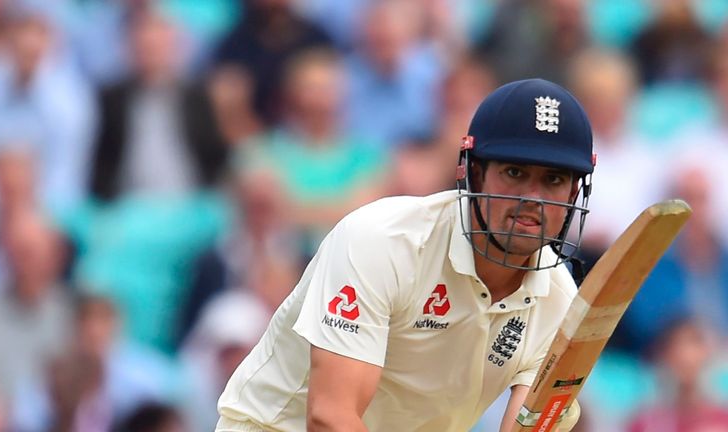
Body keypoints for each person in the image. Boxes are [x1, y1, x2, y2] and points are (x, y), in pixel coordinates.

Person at [215, 78, 595, 432]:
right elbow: (331, 416)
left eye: (554, 180)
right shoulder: (382, 242)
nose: (532, 199)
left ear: (574, 193)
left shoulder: (558, 300)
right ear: (473, 173)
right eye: (514, 172)